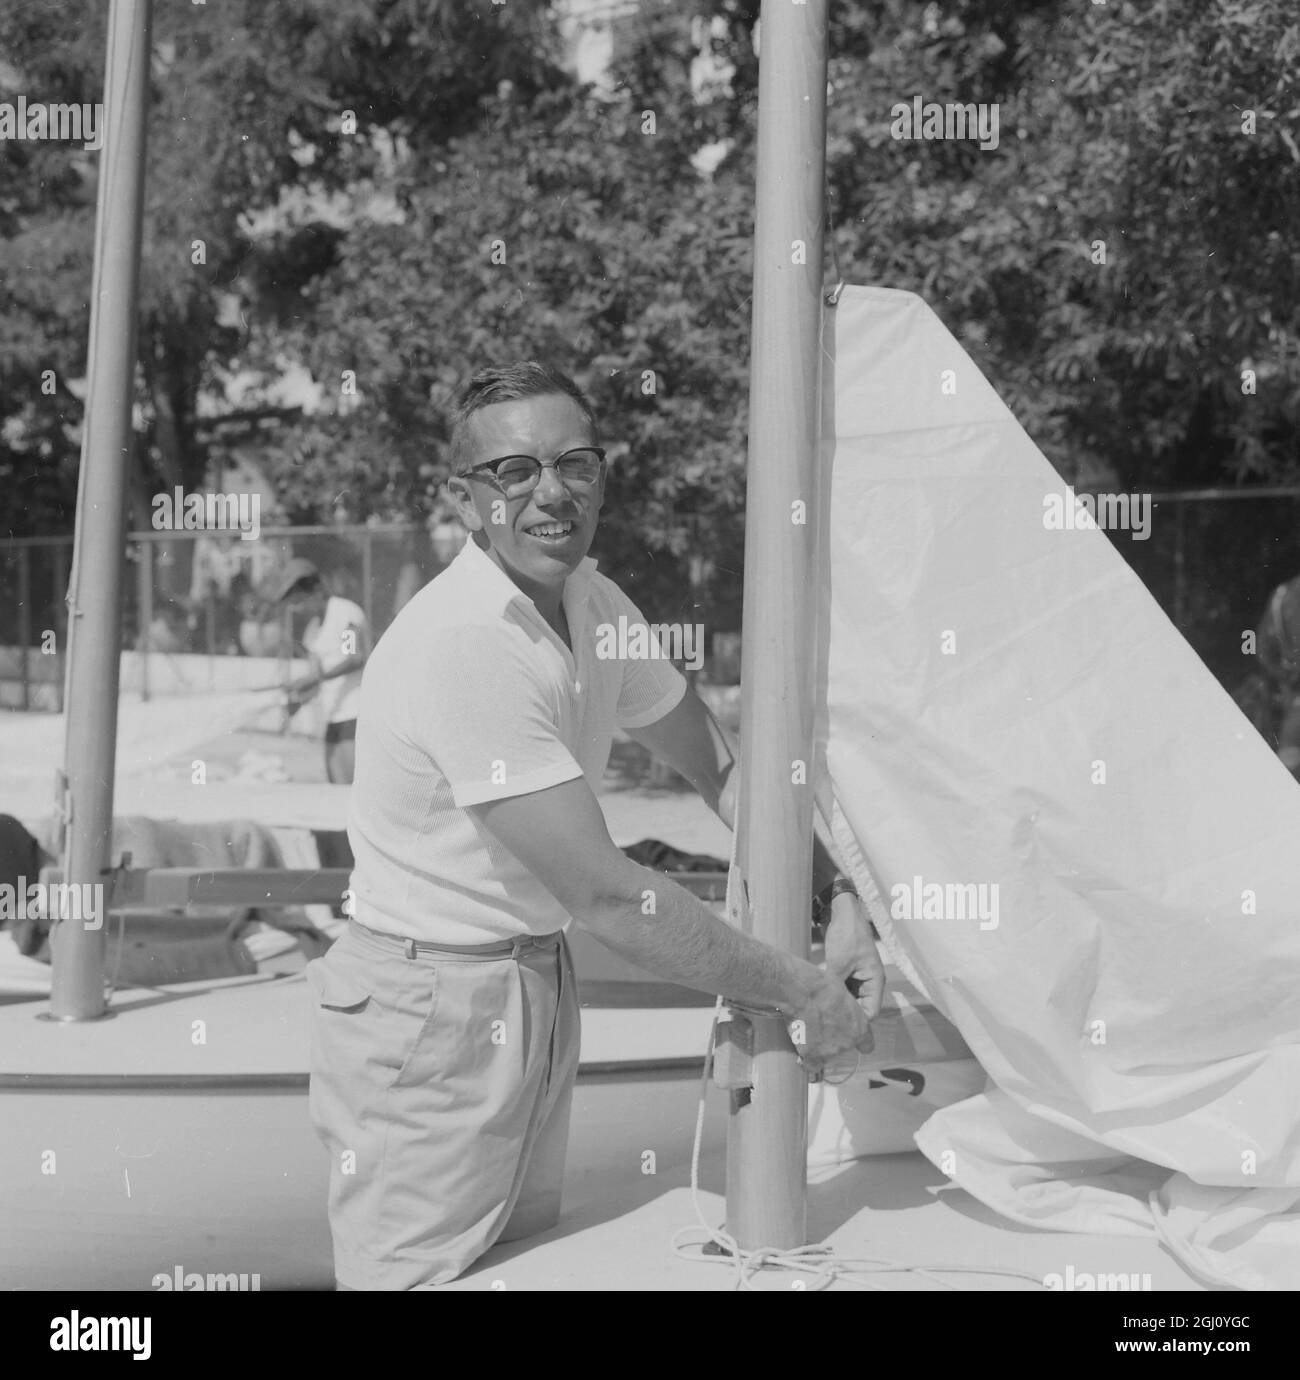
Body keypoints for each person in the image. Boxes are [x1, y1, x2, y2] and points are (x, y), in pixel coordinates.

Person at [305, 361, 884, 1290]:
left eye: (576, 464)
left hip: (531, 981)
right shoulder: (468, 642)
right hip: (427, 1009)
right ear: (465, 500)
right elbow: (609, 894)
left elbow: (720, 767)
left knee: (511, 1267)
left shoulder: (592, 602)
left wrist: (838, 895)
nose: (551, 492)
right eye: (514, 472)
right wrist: (798, 988)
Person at [269, 559, 369, 784]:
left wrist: (316, 677)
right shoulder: (312, 631)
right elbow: (316, 682)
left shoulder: (345, 612)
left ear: (315, 590)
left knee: (352, 791)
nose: (299, 608)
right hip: (332, 718)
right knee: (335, 792)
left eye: (300, 601)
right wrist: (298, 699)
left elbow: (355, 658)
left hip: (355, 714)